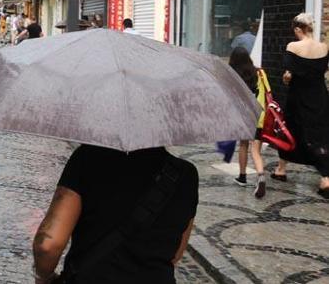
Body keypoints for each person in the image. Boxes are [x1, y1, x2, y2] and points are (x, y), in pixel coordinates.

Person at [32, 145, 198, 283]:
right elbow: (176, 253)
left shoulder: (88, 158)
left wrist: (44, 276)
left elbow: (48, 244)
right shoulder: (186, 174)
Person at [272, 13, 329, 198]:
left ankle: (281, 169)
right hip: (320, 96)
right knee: (320, 134)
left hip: (298, 97)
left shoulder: (293, 46)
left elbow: (289, 74)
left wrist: (288, 77)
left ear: (298, 29)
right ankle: (326, 178)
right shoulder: (324, 47)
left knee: (290, 130)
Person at [229, 47, 266, 198]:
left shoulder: (233, 75)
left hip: (243, 116)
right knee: (255, 149)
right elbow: (267, 93)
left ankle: (242, 176)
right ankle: (261, 175)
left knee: (243, 145)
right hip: (259, 115)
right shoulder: (260, 73)